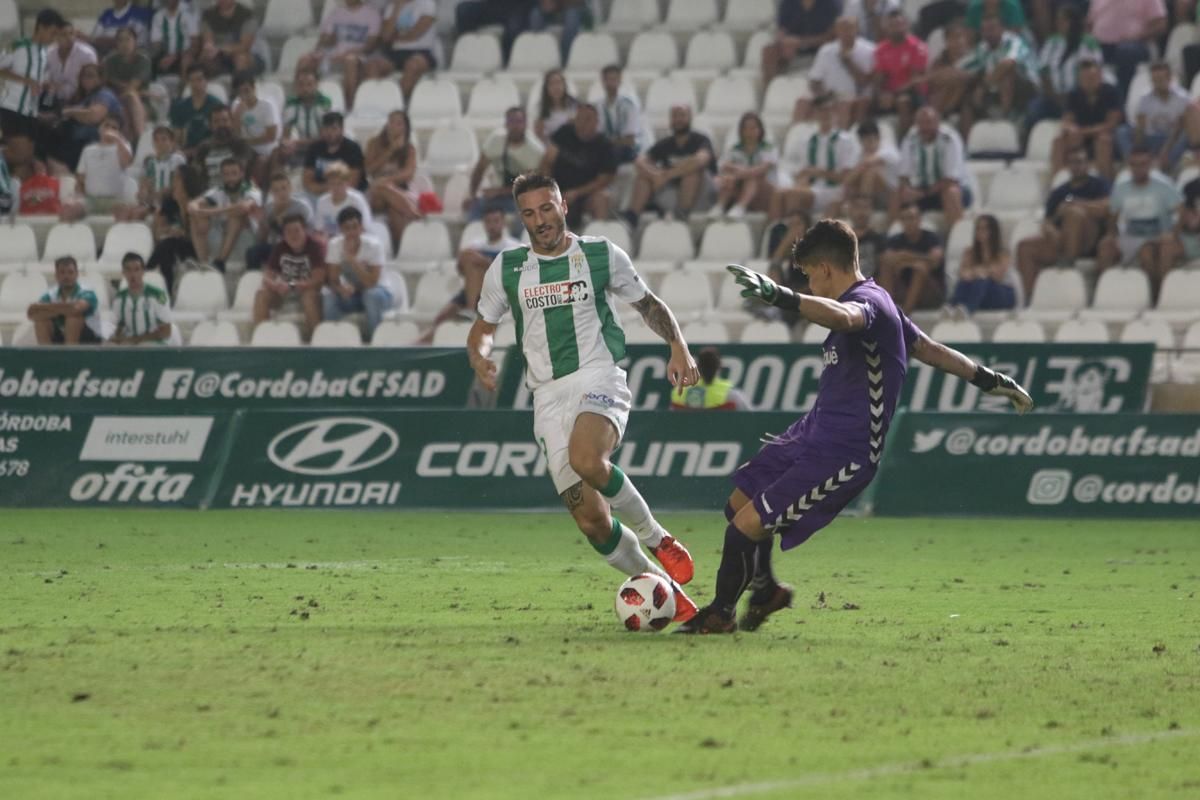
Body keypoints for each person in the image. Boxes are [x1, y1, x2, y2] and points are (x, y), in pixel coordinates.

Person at [677, 222, 1033, 633]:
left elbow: (846, 319)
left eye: (810, 274)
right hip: (811, 431)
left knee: (745, 527)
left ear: (827, 269)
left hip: (846, 450)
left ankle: (720, 614)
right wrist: (991, 379)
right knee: (739, 504)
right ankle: (766, 590)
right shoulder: (886, 306)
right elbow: (930, 350)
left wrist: (785, 297)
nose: (810, 282)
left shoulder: (866, 304)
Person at [468, 171, 702, 622]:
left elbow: (648, 303)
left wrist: (678, 345)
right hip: (547, 399)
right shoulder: (508, 268)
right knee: (592, 521)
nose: (540, 220)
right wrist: (480, 358)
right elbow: (481, 329)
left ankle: (657, 537)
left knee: (587, 459)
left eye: (547, 208)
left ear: (563, 206)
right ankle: (674, 599)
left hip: (598, 375)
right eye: (530, 213)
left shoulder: (599, 255)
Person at [419, 204, 521, 344]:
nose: (492, 225)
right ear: (484, 224)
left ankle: (470, 310)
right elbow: (461, 269)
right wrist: (480, 261)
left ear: (503, 222)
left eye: (496, 221)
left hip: (498, 293)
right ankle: (416, 346)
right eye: (488, 221)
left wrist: (484, 263)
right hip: (472, 292)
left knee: (474, 262)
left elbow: (511, 275)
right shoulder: (476, 245)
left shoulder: (512, 247)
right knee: (441, 320)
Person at [1015, 146, 1110, 295]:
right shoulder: (1059, 192)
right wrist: (1052, 229)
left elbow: (1106, 207)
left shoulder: (1099, 185)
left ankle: (1068, 264)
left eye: (1080, 162)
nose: (1077, 166)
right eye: (1073, 162)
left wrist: (1076, 204)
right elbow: (1047, 221)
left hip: (1089, 240)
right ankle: (1029, 297)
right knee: (1025, 247)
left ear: (1088, 164)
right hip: (1061, 240)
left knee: (1074, 214)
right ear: (1067, 165)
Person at [1097, 147, 1183, 296]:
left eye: (1142, 164)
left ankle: (1155, 294)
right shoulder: (1121, 189)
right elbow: (1113, 215)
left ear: (1150, 164)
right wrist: (1111, 234)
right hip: (1131, 235)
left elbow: (1180, 212)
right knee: (1105, 247)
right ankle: (1104, 292)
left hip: (1158, 234)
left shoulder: (1163, 187)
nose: (1138, 168)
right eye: (1134, 164)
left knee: (1146, 253)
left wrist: (1173, 234)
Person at [771, 94, 858, 220]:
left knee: (793, 194)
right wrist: (802, 179)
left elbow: (846, 177)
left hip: (833, 190)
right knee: (778, 195)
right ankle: (776, 232)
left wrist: (817, 172)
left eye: (829, 109)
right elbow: (803, 172)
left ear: (835, 112)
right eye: (821, 110)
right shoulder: (807, 140)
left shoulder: (846, 140)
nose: (825, 114)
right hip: (812, 190)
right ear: (815, 113)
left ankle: (794, 234)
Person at [623, 104, 713, 225]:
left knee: (691, 173)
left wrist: (667, 175)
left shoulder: (701, 140)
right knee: (643, 177)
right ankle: (631, 220)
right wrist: (654, 175)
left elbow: (700, 160)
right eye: (675, 116)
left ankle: (681, 219)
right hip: (672, 191)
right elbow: (640, 161)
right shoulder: (665, 143)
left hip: (701, 192)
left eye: (682, 115)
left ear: (690, 118)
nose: (678, 119)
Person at [0, 10, 66, 167]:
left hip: (31, 111)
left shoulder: (43, 53)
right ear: (41, 27)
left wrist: (45, 85)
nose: (54, 38)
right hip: (12, 107)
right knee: (20, 155)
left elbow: (36, 81)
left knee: (27, 157)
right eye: (53, 33)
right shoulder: (19, 46)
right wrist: (26, 81)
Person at [956, 13, 1039, 133]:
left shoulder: (1014, 41)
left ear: (1002, 29)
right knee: (967, 99)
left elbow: (1009, 63)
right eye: (984, 30)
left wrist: (983, 86)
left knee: (1006, 73)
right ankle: (968, 145)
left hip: (1026, 89)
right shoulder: (982, 48)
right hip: (994, 89)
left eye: (991, 29)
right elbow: (960, 67)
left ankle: (1005, 123)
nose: (988, 34)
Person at [892, 106, 971, 230]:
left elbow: (950, 179)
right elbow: (903, 175)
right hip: (920, 190)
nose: (925, 127)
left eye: (929, 123)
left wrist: (924, 193)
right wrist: (908, 189)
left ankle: (957, 237)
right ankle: (894, 238)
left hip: (951, 190)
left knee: (951, 192)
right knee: (896, 194)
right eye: (921, 123)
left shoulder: (949, 139)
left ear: (938, 122)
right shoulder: (910, 139)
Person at [322, 206, 396, 338]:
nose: (352, 232)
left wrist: (352, 260)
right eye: (347, 228)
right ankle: (332, 339)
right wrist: (341, 289)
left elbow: (371, 282)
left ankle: (376, 341)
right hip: (353, 295)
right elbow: (333, 279)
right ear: (341, 229)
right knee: (329, 297)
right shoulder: (334, 245)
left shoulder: (374, 246)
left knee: (371, 295)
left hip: (380, 293)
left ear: (361, 227)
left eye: (355, 227)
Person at [541, 103, 616, 229]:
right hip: (559, 190)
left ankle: (597, 237)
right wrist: (552, 191)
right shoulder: (564, 133)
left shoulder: (605, 145)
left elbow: (604, 180)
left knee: (602, 198)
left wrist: (576, 193)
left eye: (588, 119)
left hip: (587, 193)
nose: (583, 123)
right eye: (580, 119)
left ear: (596, 122)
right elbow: (547, 162)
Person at [466, 106, 545, 223]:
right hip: (497, 196)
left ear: (525, 124)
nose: (515, 126)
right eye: (511, 121)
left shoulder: (535, 150)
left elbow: (529, 186)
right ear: (506, 124)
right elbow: (479, 169)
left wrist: (497, 191)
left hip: (523, 198)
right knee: (475, 208)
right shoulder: (496, 140)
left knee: (523, 218)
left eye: (519, 122)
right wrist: (472, 196)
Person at [254, 212, 326, 339]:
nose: (293, 235)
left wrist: (293, 285)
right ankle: (262, 339)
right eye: (288, 232)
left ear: (305, 230)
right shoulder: (280, 248)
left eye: (297, 230)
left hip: (309, 291)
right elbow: (267, 276)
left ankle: (316, 340)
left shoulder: (315, 247)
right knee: (261, 294)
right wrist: (275, 285)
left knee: (308, 297)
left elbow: (318, 279)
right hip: (285, 291)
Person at [299, 0, 380, 109]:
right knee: (304, 60)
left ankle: (349, 106)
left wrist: (347, 53)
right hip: (334, 56)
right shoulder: (336, 13)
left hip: (359, 56)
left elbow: (370, 45)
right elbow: (325, 39)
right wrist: (324, 44)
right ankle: (298, 103)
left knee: (350, 60)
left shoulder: (372, 14)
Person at [48, 62, 125, 173]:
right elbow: (59, 114)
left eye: (90, 75)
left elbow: (94, 116)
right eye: (83, 75)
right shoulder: (82, 98)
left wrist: (69, 112)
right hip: (73, 141)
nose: (86, 78)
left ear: (100, 79)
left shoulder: (104, 94)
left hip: (95, 142)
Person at [1052, 59, 1121, 180]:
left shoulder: (1111, 92)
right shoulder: (1074, 94)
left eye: (1092, 78)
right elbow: (1067, 120)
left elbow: (1112, 124)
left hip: (1104, 137)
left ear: (1100, 76)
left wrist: (1083, 132)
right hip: (1080, 138)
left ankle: (1104, 184)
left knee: (1103, 140)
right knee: (1059, 141)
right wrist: (1071, 129)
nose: (1088, 82)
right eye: (1085, 78)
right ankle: (1059, 182)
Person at [188, 157, 261, 270]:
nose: (230, 178)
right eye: (226, 174)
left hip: (248, 238)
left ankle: (220, 262)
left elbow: (243, 208)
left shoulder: (251, 190)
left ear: (242, 174)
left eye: (234, 173)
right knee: (196, 217)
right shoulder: (219, 190)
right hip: (223, 234)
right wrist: (198, 211)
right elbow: (192, 205)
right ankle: (203, 263)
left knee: (235, 216)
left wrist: (209, 212)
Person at [1032, 5, 1101, 124]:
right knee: (1034, 110)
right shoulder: (1052, 42)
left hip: (1080, 97)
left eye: (1063, 20)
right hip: (1053, 96)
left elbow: (1092, 73)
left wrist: (1071, 97)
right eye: (1057, 20)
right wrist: (1055, 96)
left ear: (1073, 22)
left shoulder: (1088, 42)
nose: (1058, 23)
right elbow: (1043, 72)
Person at [1116, 61, 1189, 171]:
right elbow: (1141, 128)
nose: (1157, 83)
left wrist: (1166, 150)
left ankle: (1166, 162)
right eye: (1154, 80)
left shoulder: (1183, 98)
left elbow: (1179, 128)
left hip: (1171, 138)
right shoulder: (1145, 98)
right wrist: (1138, 151)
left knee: (1186, 135)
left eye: (1160, 79)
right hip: (1151, 138)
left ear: (1169, 78)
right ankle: (1133, 161)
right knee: (1122, 131)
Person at [1087, 0, 1165, 99]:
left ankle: (1121, 99)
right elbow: (1089, 24)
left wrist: (1139, 35)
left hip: (1137, 44)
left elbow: (1160, 24)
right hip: (1101, 45)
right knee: (1083, 52)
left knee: (1126, 52)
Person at [877, 202, 946, 312]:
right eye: (904, 219)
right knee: (886, 267)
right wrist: (904, 261)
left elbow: (935, 260)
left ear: (919, 219)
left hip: (930, 292)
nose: (909, 222)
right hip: (904, 289)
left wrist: (908, 258)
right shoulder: (895, 240)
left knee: (920, 267)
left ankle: (904, 314)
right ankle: (888, 311)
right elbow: (886, 259)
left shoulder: (931, 238)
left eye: (911, 218)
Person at [364, 109, 419, 245]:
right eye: (391, 122)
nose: (393, 126)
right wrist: (391, 150)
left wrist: (387, 181)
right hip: (376, 195)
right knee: (381, 188)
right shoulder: (374, 144)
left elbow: (408, 174)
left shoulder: (409, 148)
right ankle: (414, 213)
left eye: (399, 123)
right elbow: (368, 170)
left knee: (394, 211)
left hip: (399, 191)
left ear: (405, 128)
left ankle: (398, 249)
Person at [806, 17, 874, 127]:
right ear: (836, 31)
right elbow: (814, 80)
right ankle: (796, 137)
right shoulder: (826, 50)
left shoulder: (870, 50)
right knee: (802, 102)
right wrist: (823, 95)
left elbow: (865, 83)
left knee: (843, 104)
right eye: (842, 29)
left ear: (857, 29)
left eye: (849, 28)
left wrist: (848, 62)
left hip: (857, 96)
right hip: (828, 94)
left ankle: (840, 138)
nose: (846, 32)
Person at [61, 115, 132, 220]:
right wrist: (78, 197)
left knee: (125, 215)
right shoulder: (88, 150)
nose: (109, 129)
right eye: (106, 126)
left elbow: (127, 162)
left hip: (115, 200)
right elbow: (81, 178)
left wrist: (117, 139)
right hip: (91, 199)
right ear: (100, 128)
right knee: (68, 212)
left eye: (114, 128)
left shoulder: (123, 146)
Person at [711, 112, 778, 220]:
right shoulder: (734, 149)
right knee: (729, 177)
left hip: (766, 193)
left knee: (752, 178)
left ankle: (740, 207)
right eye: (745, 128)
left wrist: (739, 173)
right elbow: (724, 165)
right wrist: (738, 173)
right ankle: (720, 206)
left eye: (753, 128)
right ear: (741, 131)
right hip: (741, 189)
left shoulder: (769, 148)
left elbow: (762, 170)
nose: (749, 132)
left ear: (760, 130)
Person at [369, 0, 437, 103]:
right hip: (396, 52)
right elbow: (386, 36)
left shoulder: (427, 4)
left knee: (412, 65)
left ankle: (396, 104)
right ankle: (374, 102)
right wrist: (397, 8)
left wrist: (396, 36)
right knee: (373, 65)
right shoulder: (392, 6)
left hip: (422, 51)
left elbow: (415, 34)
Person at [872, 9, 926, 138]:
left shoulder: (917, 47)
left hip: (914, 93)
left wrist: (893, 94)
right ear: (886, 28)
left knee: (903, 101)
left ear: (906, 25)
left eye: (899, 24)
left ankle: (904, 142)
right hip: (889, 93)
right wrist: (881, 94)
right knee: (867, 102)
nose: (896, 28)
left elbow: (914, 79)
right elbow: (879, 76)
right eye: (892, 25)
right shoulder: (881, 49)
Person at [27, 256, 103, 345]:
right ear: (56, 275)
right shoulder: (51, 294)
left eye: (70, 272)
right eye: (62, 272)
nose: (66, 276)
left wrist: (46, 308)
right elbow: (31, 313)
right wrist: (64, 309)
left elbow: (75, 309)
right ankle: (47, 356)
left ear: (76, 274)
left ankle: (70, 356)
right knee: (41, 321)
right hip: (61, 335)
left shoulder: (87, 292)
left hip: (88, 338)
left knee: (73, 318)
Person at [246, 171, 314, 271]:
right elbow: (261, 239)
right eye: (276, 190)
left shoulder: (302, 207)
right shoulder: (269, 208)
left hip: (298, 248)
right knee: (253, 252)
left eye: (284, 188)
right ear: (271, 193)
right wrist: (262, 222)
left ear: (290, 188)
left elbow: (309, 234)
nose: (281, 193)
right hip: (276, 248)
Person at [762, 0, 841, 85]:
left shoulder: (831, 3)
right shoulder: (787, 3)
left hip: (820, 51)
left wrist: (801, 42)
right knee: (769, 50)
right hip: (794, 51)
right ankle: (770, 92)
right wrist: (784, 42)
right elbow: (782, 30)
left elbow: (832, 36)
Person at [269, 69, 332, 174]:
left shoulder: (325, 103)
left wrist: (296, 143)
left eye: (309, 84)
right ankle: (276, 185)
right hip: (301, 147)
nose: (305, 89)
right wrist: (285, 144)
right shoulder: (291, 103)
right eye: (301, 85)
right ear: (296, 86)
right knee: (277, 152)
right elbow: (285, 134)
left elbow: (326, 138)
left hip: (322, 147)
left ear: (317, 85)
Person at [949, 214, 1016, 312]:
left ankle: (967, 310)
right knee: (964, 283)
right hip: (980, 296)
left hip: (1001, 294)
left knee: (983, 281)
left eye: (985, 229)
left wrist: (976, 273)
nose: (981, 232)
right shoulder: (969, 252)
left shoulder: (1003, 254)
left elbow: (998, 276)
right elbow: (963, 274)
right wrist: (980, 272)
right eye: (978, 229)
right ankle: (953, 307)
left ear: (993, 231)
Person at [110, 252, 172, 346]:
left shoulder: (158, 296)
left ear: (143, 272)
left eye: (136, 270)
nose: (132, 274)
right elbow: (117, 327)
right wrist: (115, 338)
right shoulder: (119, 298)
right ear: (123, 272)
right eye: (128, 270)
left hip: (154, 345)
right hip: (129, 344)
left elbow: (166, 332)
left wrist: (136, 340)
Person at [102, 27, 151, 139]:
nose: (124, 44)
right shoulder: (110, 61)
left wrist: (118, 84)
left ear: (135, 41)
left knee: (130, 97)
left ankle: (140, 139)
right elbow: (106, 84)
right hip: (116, 100)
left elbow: (132, 87)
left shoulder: (143, 60)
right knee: (123, 105)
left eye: (128, 39)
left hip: (141, 103)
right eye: (120, 40)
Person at [840, 119, 900, 210]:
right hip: (864, 191)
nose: (868, 144)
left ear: (878, 138)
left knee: (870, 171)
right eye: (865, 141)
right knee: (857, 175)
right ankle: (858, 204)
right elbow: (848, 179)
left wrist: (861, 166)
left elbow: (870, 162)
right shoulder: (858, 154)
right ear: (860, 141)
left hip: (889, 195)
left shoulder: (888, 150)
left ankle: (864, 205)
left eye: (871, 140)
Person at [231, 72, 280, 183]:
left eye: (247, 90)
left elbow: (271, 136)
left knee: (261, 162)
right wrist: (237, 116)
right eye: (240, 92)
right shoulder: (236, 106)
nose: (244, 95)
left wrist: (246, 142)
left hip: (265, 149)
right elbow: (235, 135)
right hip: (246, 150)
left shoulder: (267, 106)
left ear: (253, 88)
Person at [303, 111, 366, 196]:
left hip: (349, 194)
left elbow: (352, 183)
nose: (329, 133)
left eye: (334, 128)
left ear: (342, 129)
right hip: (319, 194)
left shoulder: (353, 148)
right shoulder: (314, 148)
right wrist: (329, 188)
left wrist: (331, 189)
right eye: (326, 128)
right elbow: (307, 182)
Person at [669, 347, 750, 410]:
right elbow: (751, 418)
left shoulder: (679, 393)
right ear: (719, 366)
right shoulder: (732, 395)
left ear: (697, 367)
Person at [169, 66, 224, 154]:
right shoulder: (179, 107)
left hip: (211, 151)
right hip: (186, 152)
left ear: (207, 81)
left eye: (199, 80)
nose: (195, 84)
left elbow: (220, 135)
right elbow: (177, 137)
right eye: (192, 80)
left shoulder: (216, 105)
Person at [594, 64, 642, 164]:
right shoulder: (597, 106)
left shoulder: (629, 105)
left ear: (620, 80)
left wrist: (608, 142)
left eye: (614, 79)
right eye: (608, 79)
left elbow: (630, 140)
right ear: (603, 81)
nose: (611, 83)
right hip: (603, 148)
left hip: (625, 150)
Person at [198, 0, 259, 77]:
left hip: (247, 55)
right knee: (205, 57)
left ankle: (239, 84)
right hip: (218, 54)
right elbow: (208, 41)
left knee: (240, 58)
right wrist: (210, 49)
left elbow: (245, 46)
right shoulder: (207, 15)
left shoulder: (247, 15)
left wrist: (221, 49)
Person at [313, 160, 373, 236]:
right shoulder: (321, 202)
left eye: (340, 183)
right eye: (332, 184)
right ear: (327, 184)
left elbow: (365, 227)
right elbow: (319, 230)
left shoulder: (356, 200)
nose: (336, 188)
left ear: (347, 183)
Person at [47, 22, 97, 108]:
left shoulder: (87, 54)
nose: (69, 38)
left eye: (71, 33)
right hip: (54, 98)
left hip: (81, 99)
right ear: (56, 37)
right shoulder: (49, 53)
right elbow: (47, 79)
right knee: (43, 102)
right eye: (64, 35)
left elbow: (93, 84)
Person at [150, 0, 198, 78]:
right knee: (151, 60)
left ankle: (183, 86)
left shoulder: (188, 15)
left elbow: (195, 43)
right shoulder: (158, 17)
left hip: (184, 54)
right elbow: (156, 43)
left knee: (186, 62)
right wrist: (163, 56)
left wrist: (176, 56)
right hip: (165, 54)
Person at [534, 68, 579, 143]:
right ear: (546, 88)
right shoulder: (540, 108)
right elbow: (539, 135)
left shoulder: (574, 105)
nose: (556, 87)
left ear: (564, 85)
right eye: (551, 84)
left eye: (559, 83)